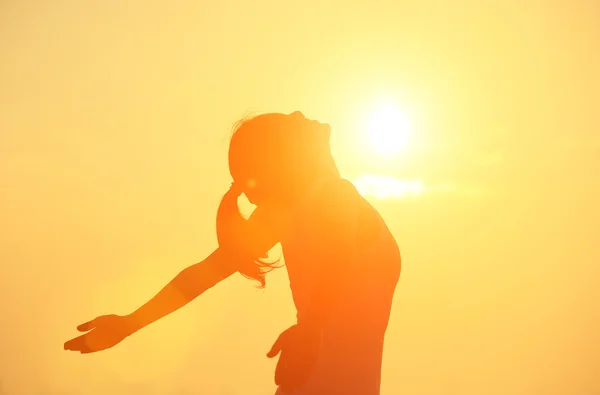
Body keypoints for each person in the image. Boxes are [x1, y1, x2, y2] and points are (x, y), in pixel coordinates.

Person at [64, 111, 402, 395]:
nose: (248, 197)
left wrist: (310, 330)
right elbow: (201, 275)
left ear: (275, 165)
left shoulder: (334, 197)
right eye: (241, 184)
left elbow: (338, 260)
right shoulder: (281, 213)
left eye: (250, 181)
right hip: (313, 375)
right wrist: (129, 323)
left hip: (323, 373)